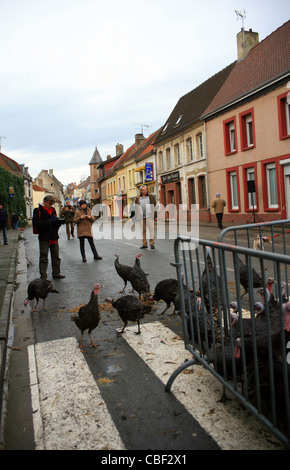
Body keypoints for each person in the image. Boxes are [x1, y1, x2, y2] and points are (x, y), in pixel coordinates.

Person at [32, 195, 66, 279]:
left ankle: (56, 273)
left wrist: (59, 222)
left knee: (56, 256)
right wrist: (49, 221)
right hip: (44, 237)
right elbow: (36, 223)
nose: (51, 206)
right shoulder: (37, 210)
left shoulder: (53, 210)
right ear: (45, 202)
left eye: (52, 204)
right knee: (44, 257)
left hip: (54, 236)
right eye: (50, 204)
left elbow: (54, 223)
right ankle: (43, 276)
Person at [131, 185, 157, 249]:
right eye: (143, 190)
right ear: (141, 191)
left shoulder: (151, 197)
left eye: (145, 189)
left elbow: (155, 206)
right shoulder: (138, 198)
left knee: (151, 230)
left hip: (150, 216)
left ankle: (152, 244)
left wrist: (155, 216)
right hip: (141, 217)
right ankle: (144, 244)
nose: (145, 191)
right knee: (143, 231)